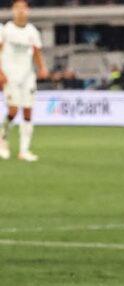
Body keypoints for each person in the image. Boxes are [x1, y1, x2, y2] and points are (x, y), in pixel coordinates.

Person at [0, 0, 48, 163]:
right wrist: (0, 72)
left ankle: (24, 150)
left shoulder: (32, 31)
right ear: (13, 10)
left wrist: (42, 68)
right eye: (17, 8)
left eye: (23, 8)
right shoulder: (6, 30)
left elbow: (37, 52)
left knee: (28, 111)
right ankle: (2, 138)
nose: (21, 11)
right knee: (13, 110)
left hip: (28, 76)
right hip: (10, 76)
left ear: (28, 10)